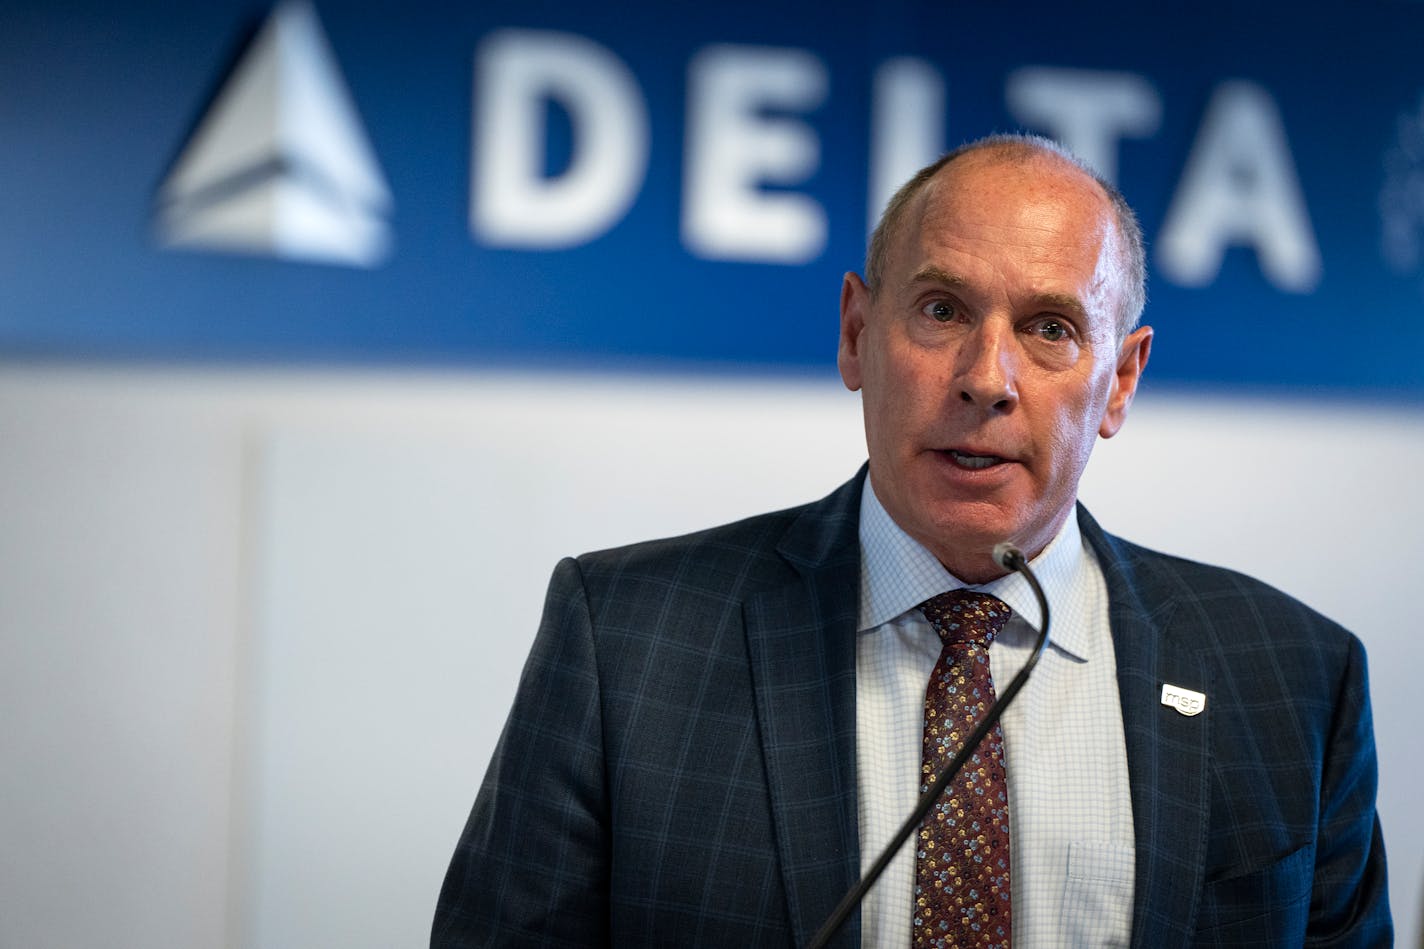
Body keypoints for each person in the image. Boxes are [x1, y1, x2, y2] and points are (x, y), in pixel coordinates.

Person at [432, 134, 1391, 947]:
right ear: (856, 333)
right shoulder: (628, 641)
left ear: (1123, 381)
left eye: (1052, 327)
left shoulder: (1296, 679)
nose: (987, 377)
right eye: (942, 311)